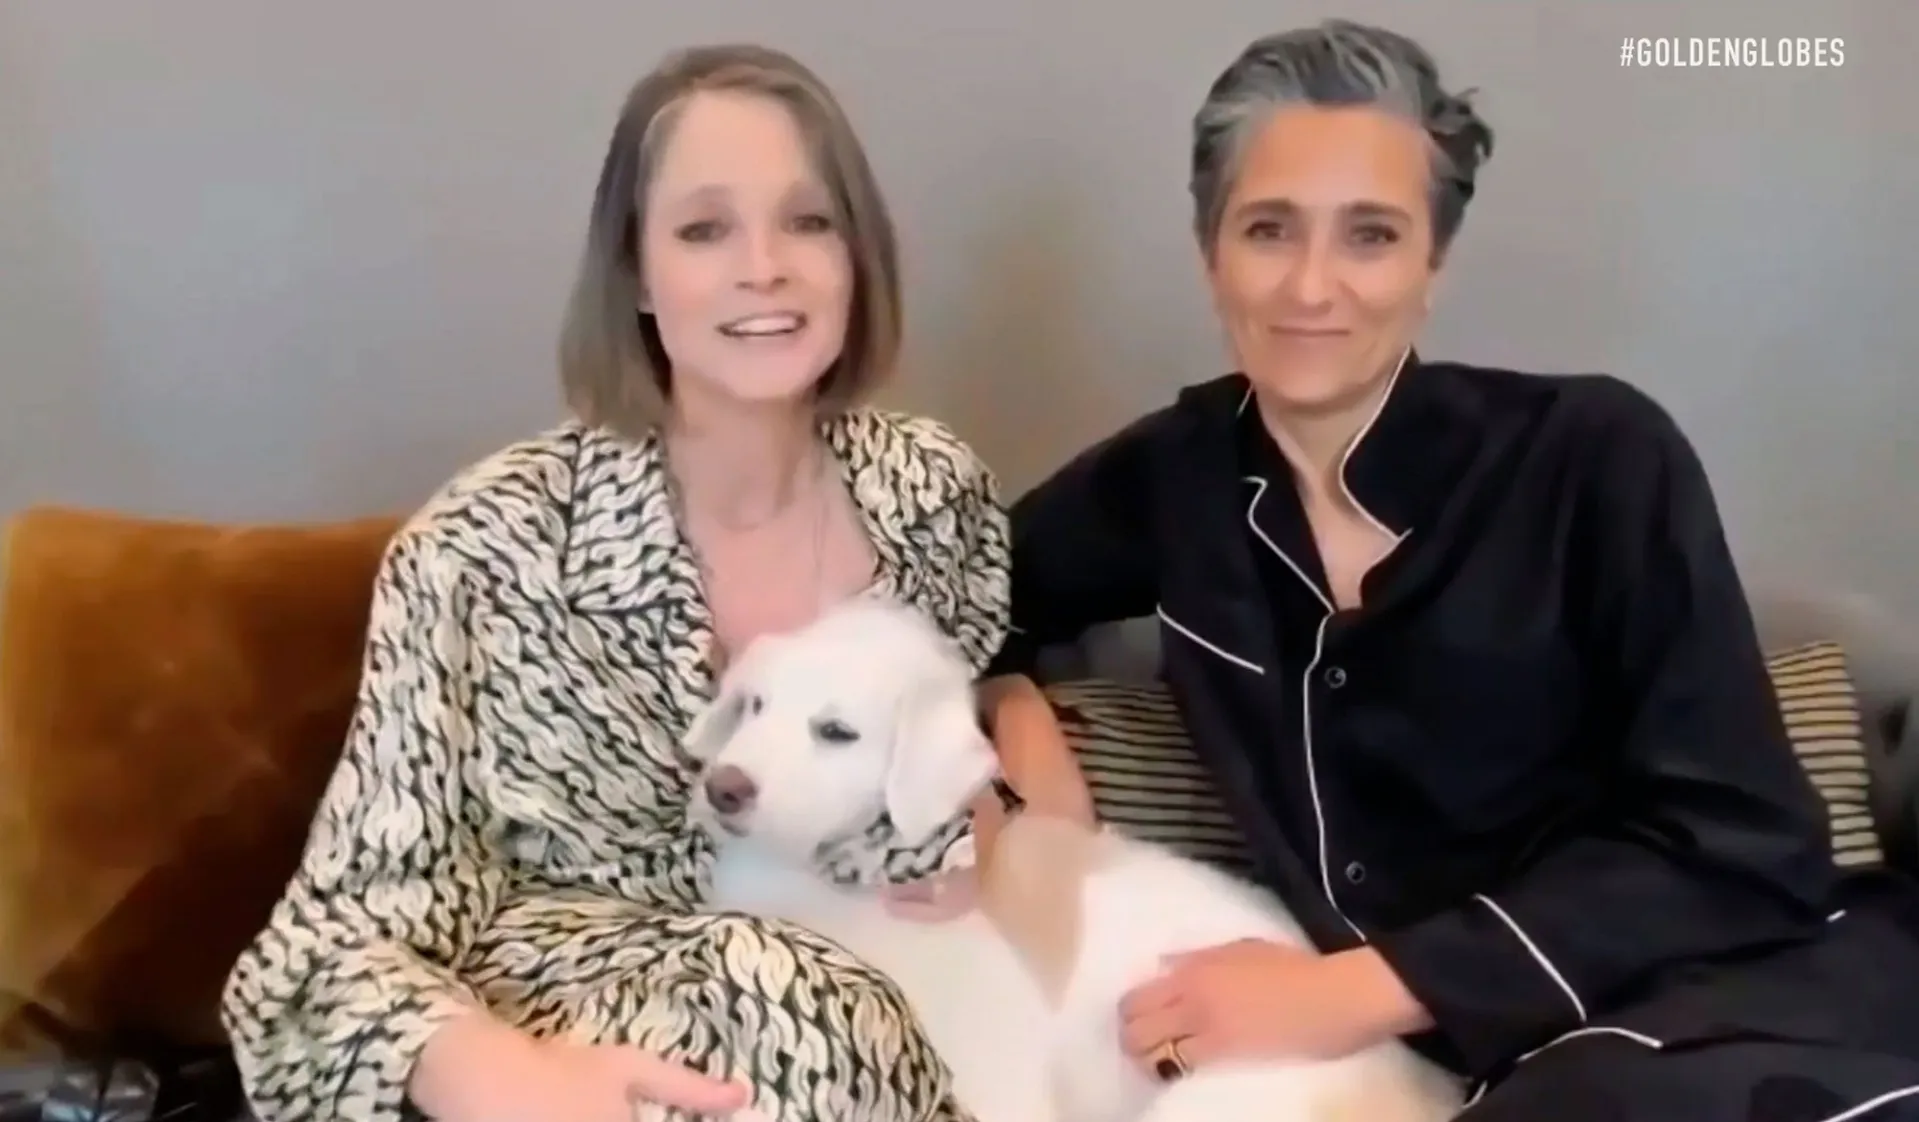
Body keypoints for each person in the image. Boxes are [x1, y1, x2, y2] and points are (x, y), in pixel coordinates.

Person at [974, 19, 1919, 1121]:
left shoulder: (1594, 454)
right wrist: (1016, 718)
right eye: (1268, 229)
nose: (1311, 287)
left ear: (1432, 264)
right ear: (1209, 252)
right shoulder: (1171, 479)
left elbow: (1744, 843)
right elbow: (951, 588)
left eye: (1370, 236)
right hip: (1494, 1074)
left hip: (1755, 998)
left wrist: (1351, 991)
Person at [217, 44, 1010, 1122]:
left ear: (855, 256)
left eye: (808, 221)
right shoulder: (483, 547)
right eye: (703, 229)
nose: (764, 266)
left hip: (906, 1031)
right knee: (795, 1008)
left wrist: (1021, 787)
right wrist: (499, 1079)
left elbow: (978, 710)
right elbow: (328, 951)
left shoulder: (934, 497)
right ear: (635, 272)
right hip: (576, 1056)